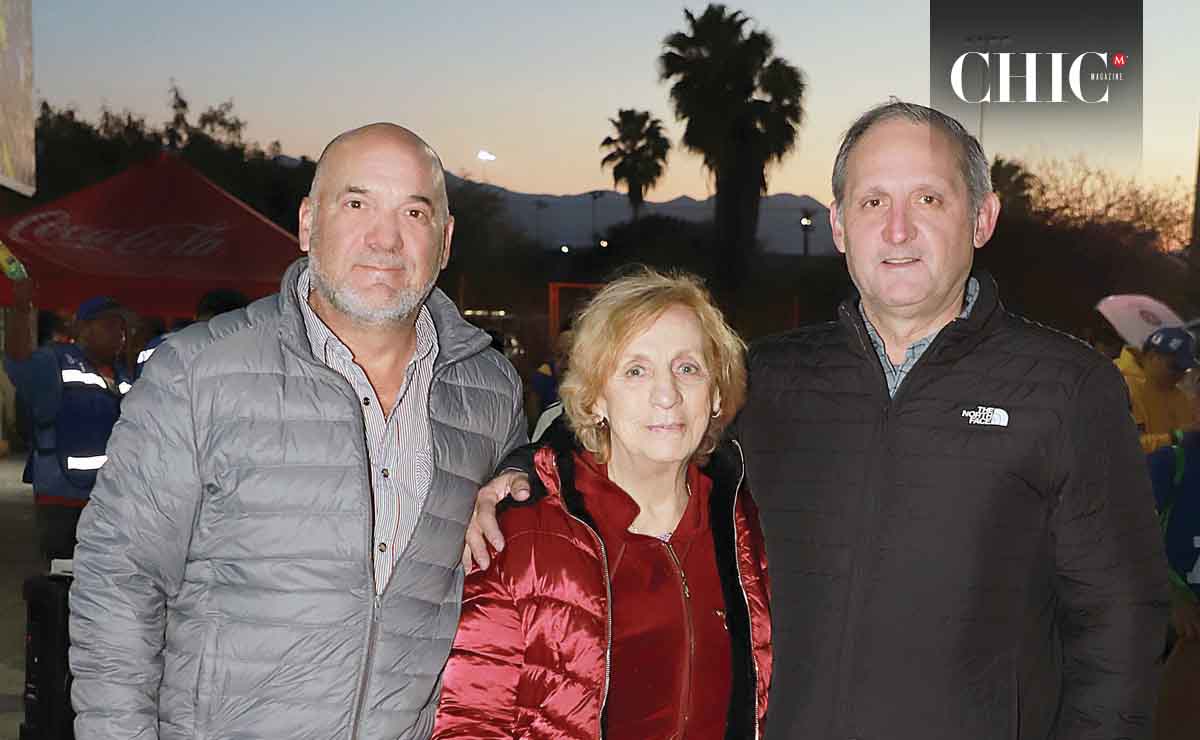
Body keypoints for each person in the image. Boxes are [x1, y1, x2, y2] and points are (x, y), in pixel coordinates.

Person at [470, 101, 1167, 739]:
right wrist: (518, 472)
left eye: (929, 197)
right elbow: (639, 424)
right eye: (872, 202)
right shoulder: (769, 378)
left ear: (982, 217)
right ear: (838, 225)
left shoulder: (1068, 388)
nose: (898, 228)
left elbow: (1121, 629)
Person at [69, 123, 527, 740]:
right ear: (309, 223)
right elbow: (120, 581)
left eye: (413, 212)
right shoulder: (200, 372)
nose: (385, 238)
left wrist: (517, 475)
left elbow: (535, 483)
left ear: (444, 242)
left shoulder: (489, 390)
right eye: (357, 203)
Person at [433, 268, 770, 739]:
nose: (667, 394)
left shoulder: (748, 528)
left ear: (715, 394)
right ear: (595, 400)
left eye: (687, 368)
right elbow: (472, 718)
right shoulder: (524, 532)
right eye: (635, 370)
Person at [3, 283, 131, 561]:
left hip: (110, 500)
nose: (120, 335)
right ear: (82, 329)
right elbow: (18, 361)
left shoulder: (123, 376)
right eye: (109, 325)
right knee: (62, 578)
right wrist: (21, 310)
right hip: (63, 498)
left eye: (122, 328)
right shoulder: (56, 362)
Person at [1129, 327, 1198, 453]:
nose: (1179, 375)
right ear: (1152, 357)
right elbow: (1127, 446)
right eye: (1174, 367)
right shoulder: (1121, 385)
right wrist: (1176, 437)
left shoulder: (1180, 396)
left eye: (1184, 369)